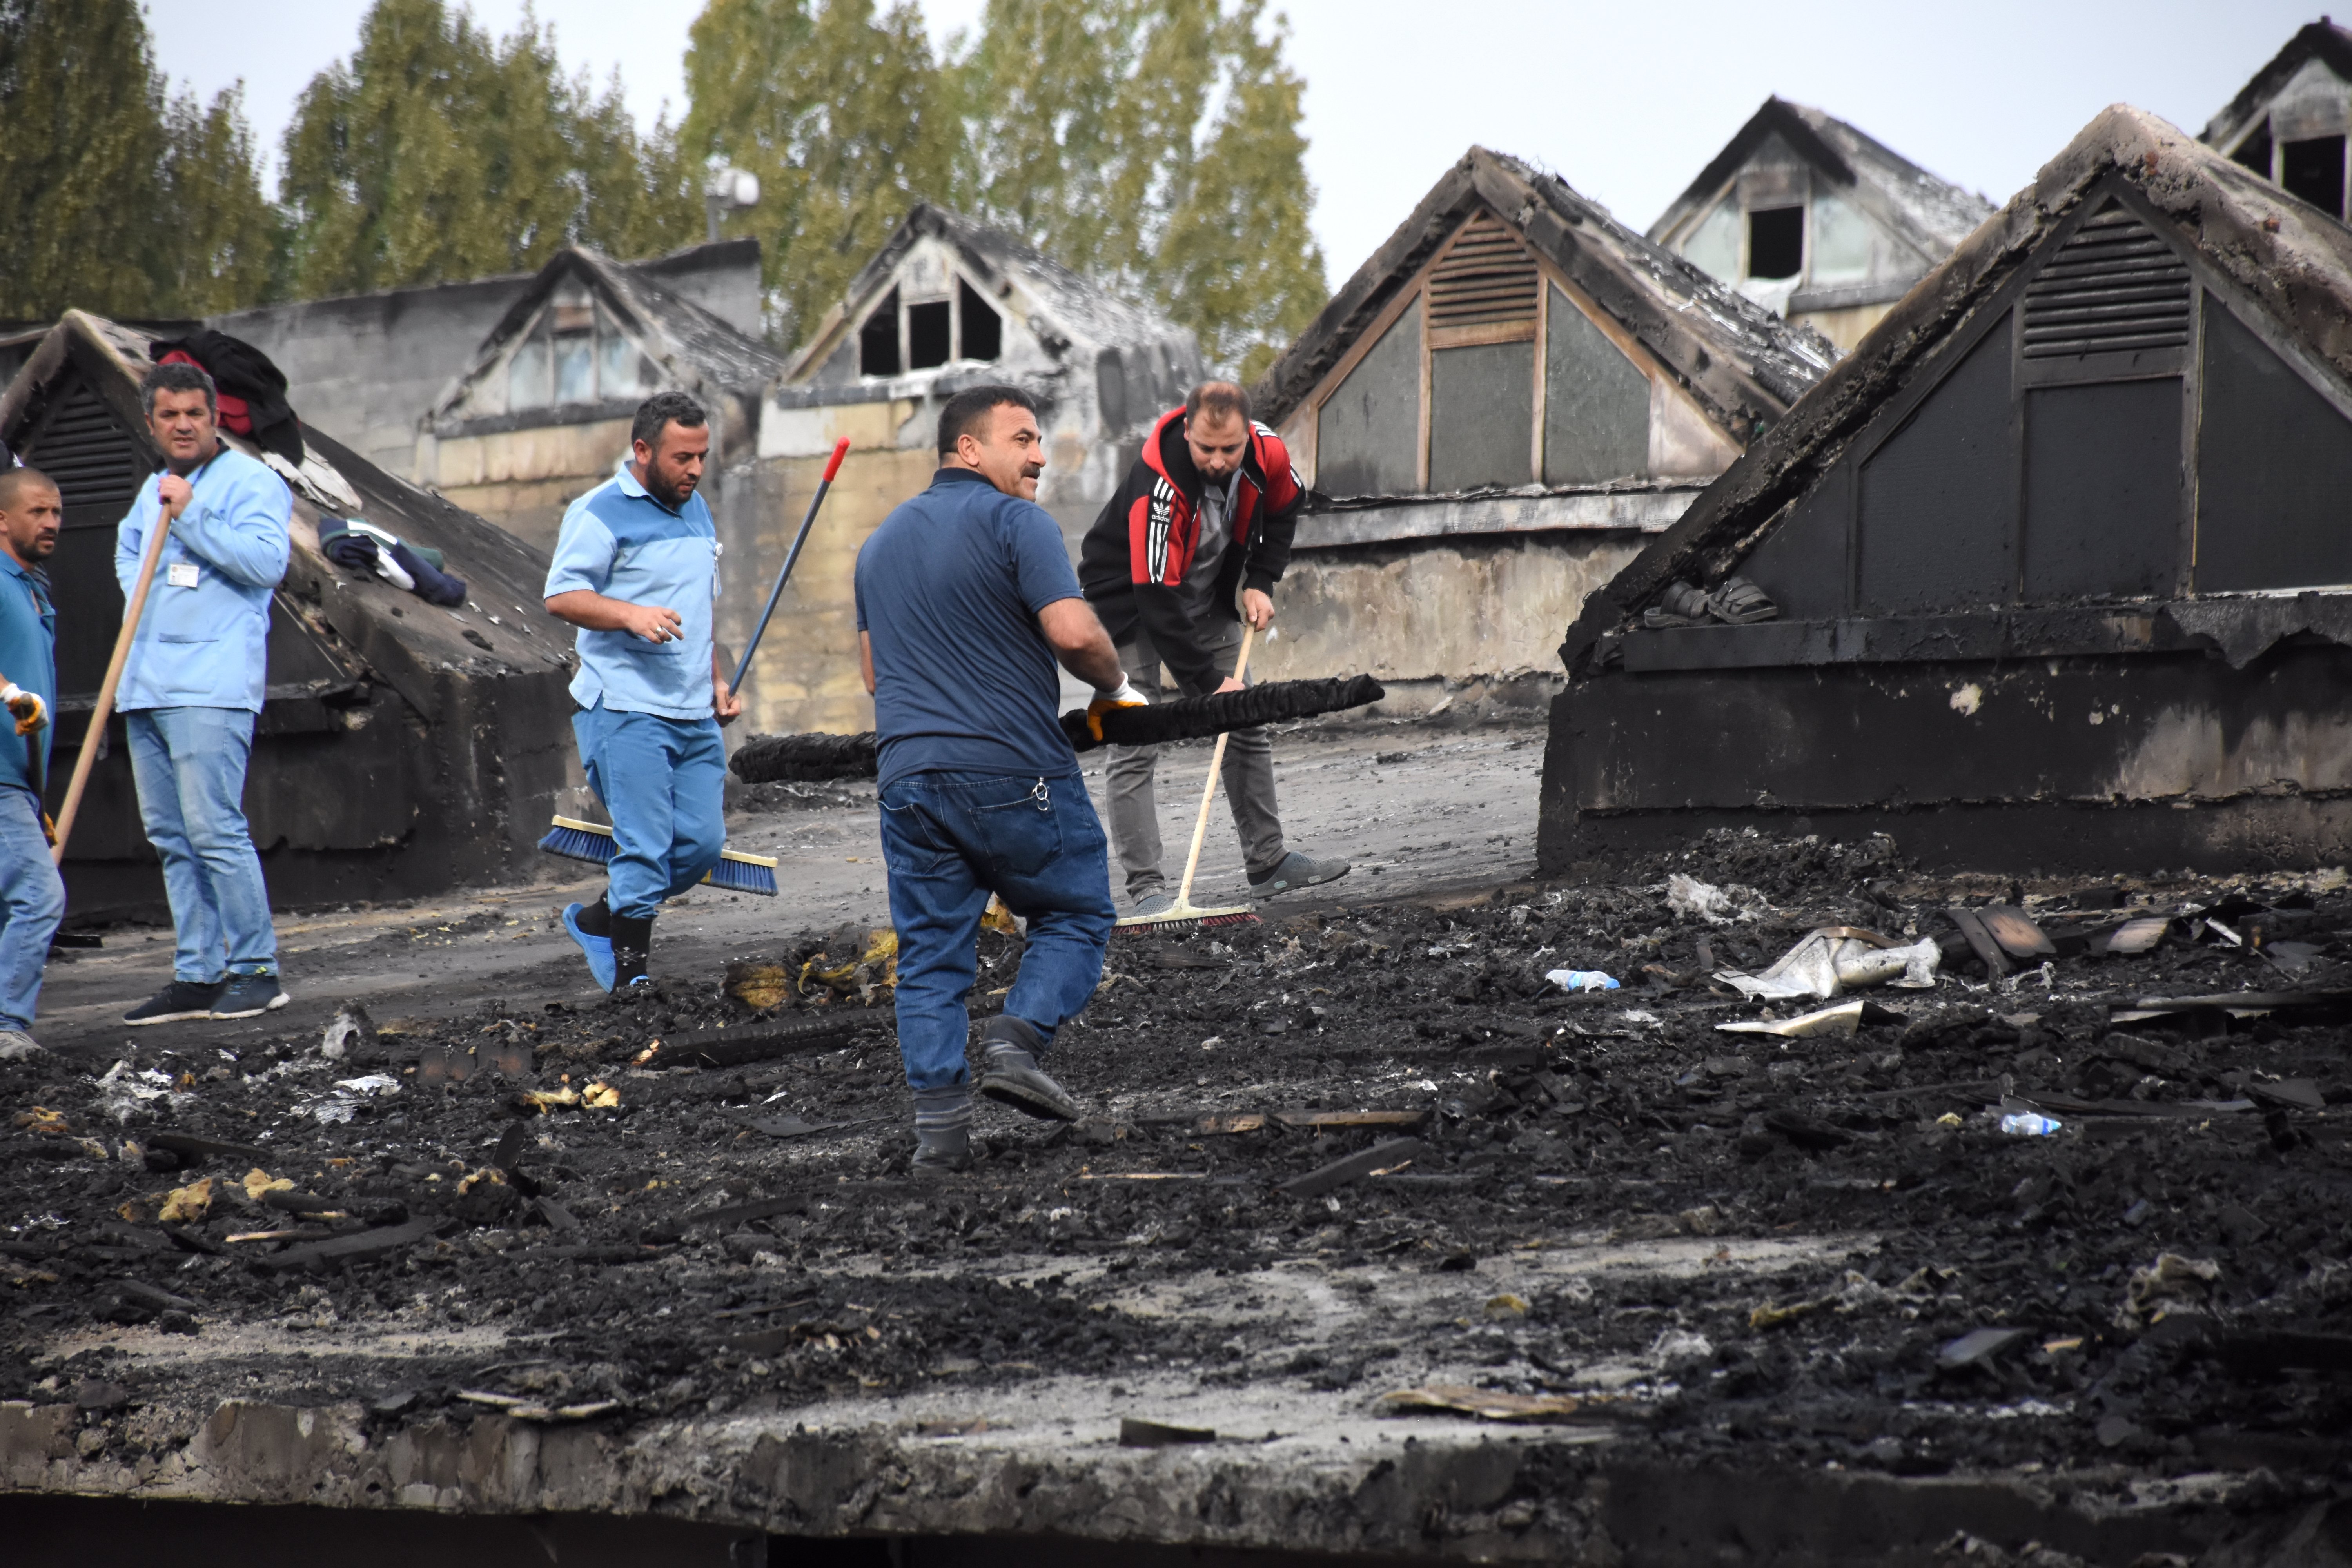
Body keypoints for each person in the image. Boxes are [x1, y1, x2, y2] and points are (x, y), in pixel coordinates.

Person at [856, 384, 1139, 1174]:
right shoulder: (1018, 521)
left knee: (930, 958)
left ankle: (940, 1135)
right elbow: (1073, 632)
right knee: (1076, 911)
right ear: (968, 449)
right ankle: (1016, 1042)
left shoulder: (876, 546)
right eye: (1023, 438)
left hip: (908, 778)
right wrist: (1116, 685)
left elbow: (878, 675)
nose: (1040, 454)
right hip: (1014, 767)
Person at [1078, 380, 1348, 915]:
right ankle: (1148, 891)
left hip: (1206, 593)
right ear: (1187, 431)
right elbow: (1154, 595)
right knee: (1136, 737)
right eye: (1207, 449)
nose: (1220, 461)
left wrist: (1261, 581)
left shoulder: (1268, 451)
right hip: (1130, 602)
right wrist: (1206, 684)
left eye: (1231, 449)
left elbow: (1286, 508)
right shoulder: (1159, 485)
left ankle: (1269, 865)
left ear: (1248, 435)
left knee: (1244, 719)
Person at [546, 391, 742, 995]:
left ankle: (600, 920)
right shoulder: (598, 512)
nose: (696, 470)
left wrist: (714, 680)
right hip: (625, 707)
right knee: (647, 843)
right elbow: (561, 596)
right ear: (643, 450)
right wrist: (629, 615)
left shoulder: (698, 510)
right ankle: (633, 979)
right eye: (684, 457)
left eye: (703, 456)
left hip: (692, 712)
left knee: (702, 843)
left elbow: (698, 609)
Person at [115, 362, 292, 1025]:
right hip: (145, 684)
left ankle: (255, 967)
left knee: (215, 829)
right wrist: (142, 591)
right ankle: (198, 971)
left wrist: (190, 520)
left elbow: (266, 564)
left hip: (210, 684)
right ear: (152, 422)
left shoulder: (252, 482)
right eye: (170, 415)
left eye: (195, 412)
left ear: (215, 417)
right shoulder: (153, 487)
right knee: (169, 835)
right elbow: (129, 553)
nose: (183, 424)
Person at [0, 467, 64, 1058]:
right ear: (2, 518)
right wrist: (5, 692)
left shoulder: (30, 586)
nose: (50, 523)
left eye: (56, 514)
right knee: (39, 897)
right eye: (37, 511)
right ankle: (5, 1024)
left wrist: (37, 797)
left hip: (19, 779)